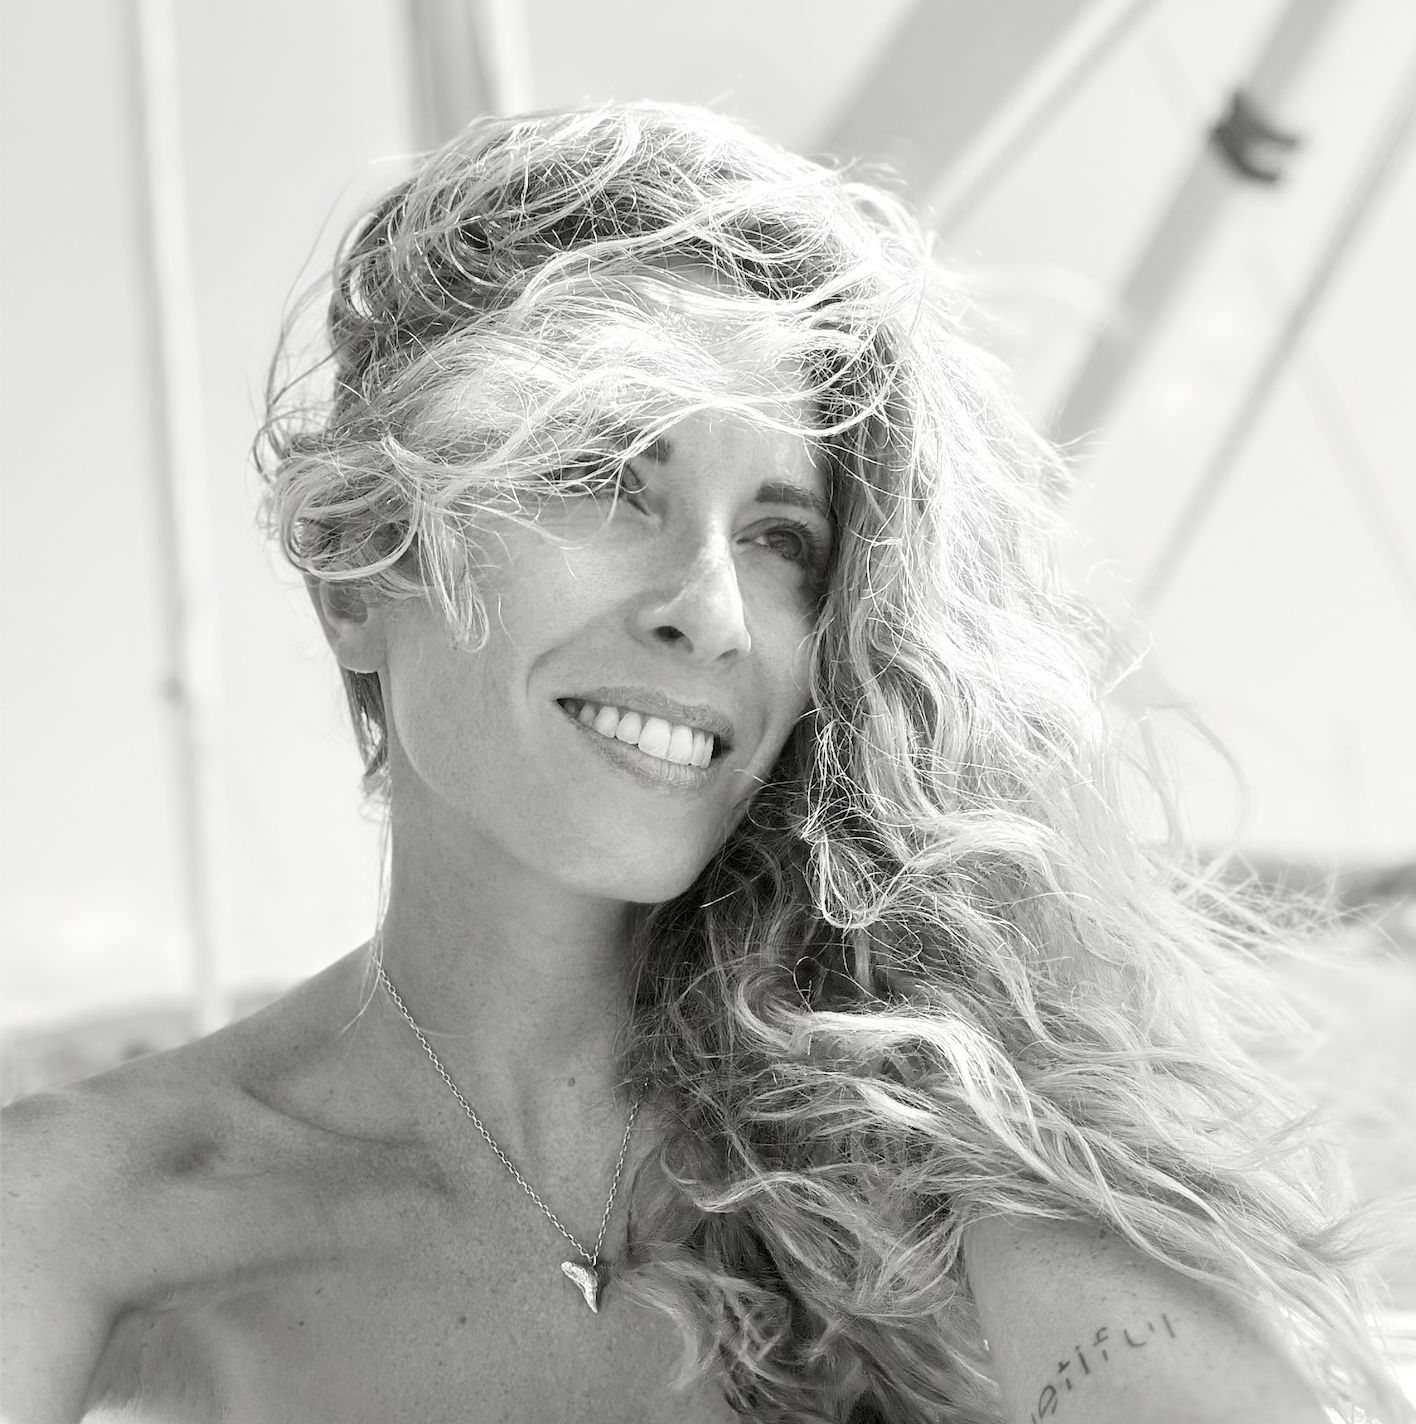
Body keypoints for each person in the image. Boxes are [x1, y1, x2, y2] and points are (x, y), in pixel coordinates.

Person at [1, 102, 1408, 1424]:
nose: (714, 607)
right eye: (606, 475)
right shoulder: (82, 1215)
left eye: (782, 536)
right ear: (363, 573)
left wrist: (1001, 1144)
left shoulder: (935, 1150)